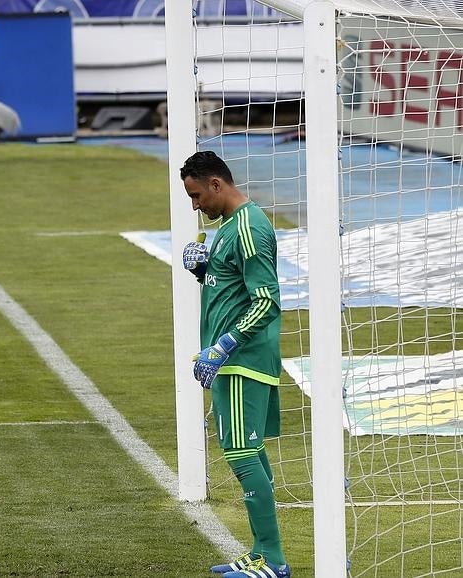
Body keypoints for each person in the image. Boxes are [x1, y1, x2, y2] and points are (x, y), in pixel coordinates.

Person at [180, 151, 290, 578]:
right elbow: (232, 287)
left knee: (242, 453)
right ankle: (262, 552)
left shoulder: (249, 228)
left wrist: (224, 344)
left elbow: (267, 300)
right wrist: (204, 270)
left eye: (196, 196)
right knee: (249, 453)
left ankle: (274, 559)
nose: (195, 206)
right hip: (232, 360)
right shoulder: (227, 228)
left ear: (216, 184)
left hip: (243, 358)